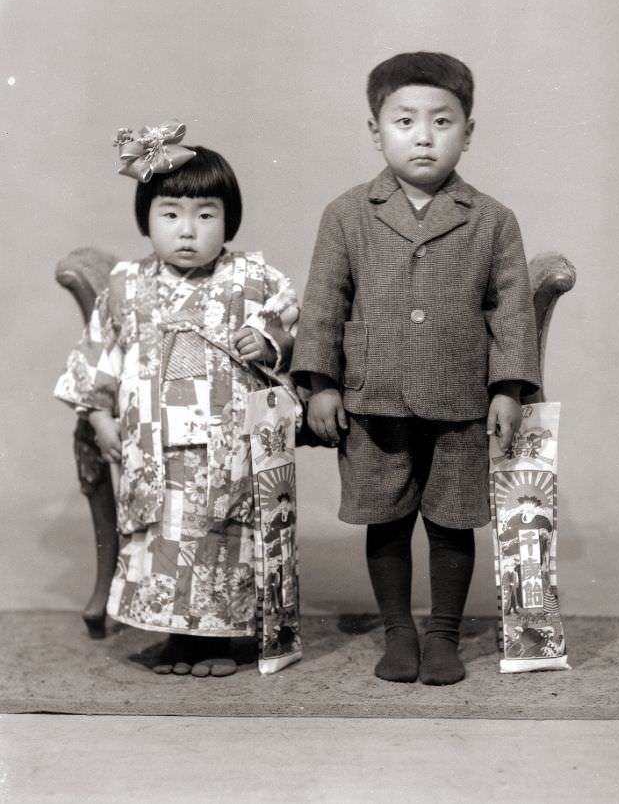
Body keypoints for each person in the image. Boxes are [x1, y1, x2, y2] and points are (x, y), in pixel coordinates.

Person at [291, 52, 540, 685]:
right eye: (405, 121)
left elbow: (510, 311)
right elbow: (323, 304)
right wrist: (320, 384)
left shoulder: (492, 220)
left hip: (461, 402)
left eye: (442, 121)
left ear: (468, 131)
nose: (423, 136)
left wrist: (507, 390)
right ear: (376, 130)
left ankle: (444, 636)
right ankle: (399, 634)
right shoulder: (347, 214)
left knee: (454, 520)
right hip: (375, 397)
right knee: (388, 516)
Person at [55, 121, 299, 677]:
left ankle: (222, 639)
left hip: (228, 443)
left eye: (205, 215)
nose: (187, 230)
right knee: (163, 532)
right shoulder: (126, 283)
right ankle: (175, 638)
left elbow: (291, 333)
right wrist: (98, 414)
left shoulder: (253, 279)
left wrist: (264, 342)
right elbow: (100, 355)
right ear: (147, 218)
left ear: (228, 220)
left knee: (223, 534)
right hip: (154, 443)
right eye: (171, 214)